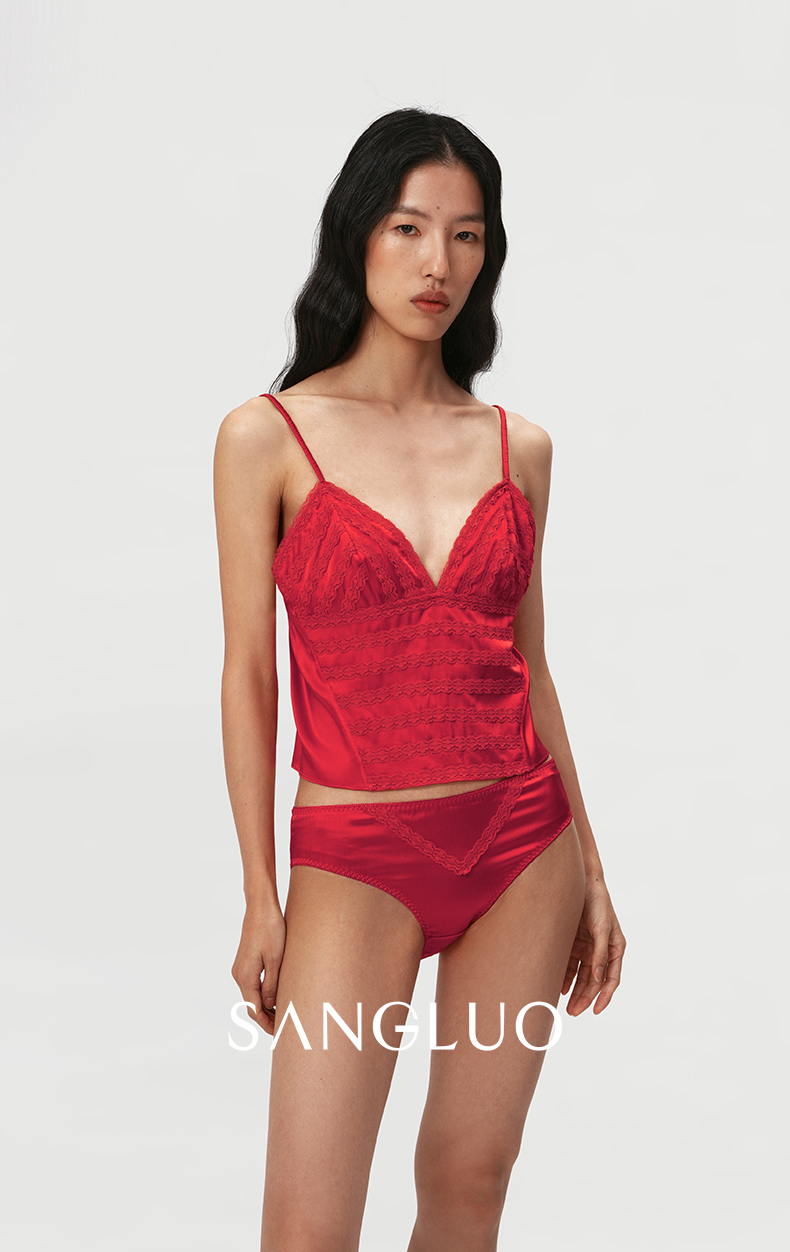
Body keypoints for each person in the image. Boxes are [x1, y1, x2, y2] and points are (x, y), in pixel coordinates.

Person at [213, 107, 626, 1252]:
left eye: (466, 233)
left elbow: (527, 668)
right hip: (358, 855)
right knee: (307, 1225)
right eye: (407, 227)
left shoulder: (517, 447)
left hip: (522, 849)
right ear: (357, 232)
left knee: (466, 1184)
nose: (437, 261)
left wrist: (591, 871)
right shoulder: (266, 436)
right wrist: (258, 890)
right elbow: (248, 673)